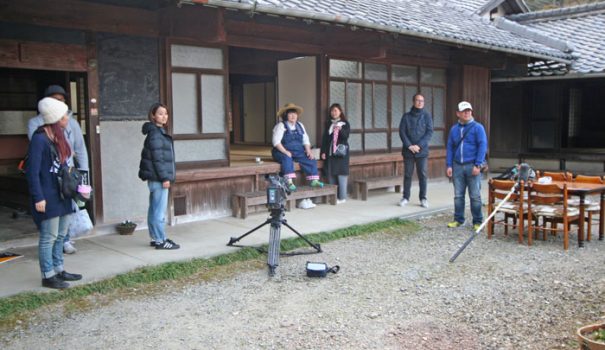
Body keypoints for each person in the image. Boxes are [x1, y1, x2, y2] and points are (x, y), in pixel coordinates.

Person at [26, 97, 83, 289]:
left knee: (61, 235)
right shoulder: (39, 139)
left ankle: (59, 269)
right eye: (64, 116)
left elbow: (66, 166)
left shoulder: (60, 137)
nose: (67, 118)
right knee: (48, 236)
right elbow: (32, 172)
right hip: (48, 194)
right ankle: (47, 275)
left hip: (62, 193)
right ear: (56, 119)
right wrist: (38, 197)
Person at [28, 85, 89, 255]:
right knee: (50, 232)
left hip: (67, 178)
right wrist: (38, 196)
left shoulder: (70, 125)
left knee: (64, 222)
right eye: (56, 100)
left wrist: (84, 178)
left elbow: (80, 149)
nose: (61, 104)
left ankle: (61, 262)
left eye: (62, 100)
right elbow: (36, 165)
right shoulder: (39, 132)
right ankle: (49, 272)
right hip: (49, 180)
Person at [138, 103, 180, 250]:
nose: (164, 116)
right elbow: (158, 159)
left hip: (156, 178)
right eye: (161, 113)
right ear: (153, 115)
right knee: (158, 211)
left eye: (166, 113)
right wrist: (165, 178)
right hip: (158, 178)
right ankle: (160, 240)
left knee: (154, 209)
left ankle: (157, 238)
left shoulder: (157, 132)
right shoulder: (156, 134)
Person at [446, 101, 488, 230]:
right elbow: (450, 148)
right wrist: (449, 165)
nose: (467, 113)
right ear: (458, 113)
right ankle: (458, 219)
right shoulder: (454, 129)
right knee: (458, 195)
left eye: (469, 110)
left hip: (472, 165)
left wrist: (478, 164)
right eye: (464, 111)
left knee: (475, 195)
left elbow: (482, 146)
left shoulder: (478, 127)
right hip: (457, 165)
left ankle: (478, 221)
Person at [272, 103, 324, 191]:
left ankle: (314, 180)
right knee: (287, 158)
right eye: (290, 114)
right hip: (281, 151)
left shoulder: (300, 125)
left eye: (295, 113)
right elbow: (276, 142)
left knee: (310, 159)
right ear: (286, 115)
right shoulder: (281, 126)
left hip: (297, 152)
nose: (293, 116)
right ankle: (289, 182)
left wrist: (308, 151)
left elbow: (305, 140)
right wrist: (285, 151)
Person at [398, 93, 433, 208]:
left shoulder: (427, 116)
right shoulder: (406, 116)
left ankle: (423, 198)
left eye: (422, 101)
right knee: (408, 174)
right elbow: (402, 132)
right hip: (408, 151)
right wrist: (409, 145)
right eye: (418, 100)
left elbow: (429, 132)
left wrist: (419, 145)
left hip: (422, 151)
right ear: (413, 102)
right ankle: (405, 197)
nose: (420, 102)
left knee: (422, 174)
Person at [320, 103, 350, 203]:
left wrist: (339, 128)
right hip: (330, 152)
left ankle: (342, 197)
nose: (334, 112)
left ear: (340, 112)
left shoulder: (345, 123)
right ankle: (333, 196)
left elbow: (345, 137)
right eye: (332, 111)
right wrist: (323, 151)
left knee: (341, 174)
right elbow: (325, 139)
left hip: (341, 153)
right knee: (331, 173)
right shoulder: (329, 124)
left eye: (336, 110)